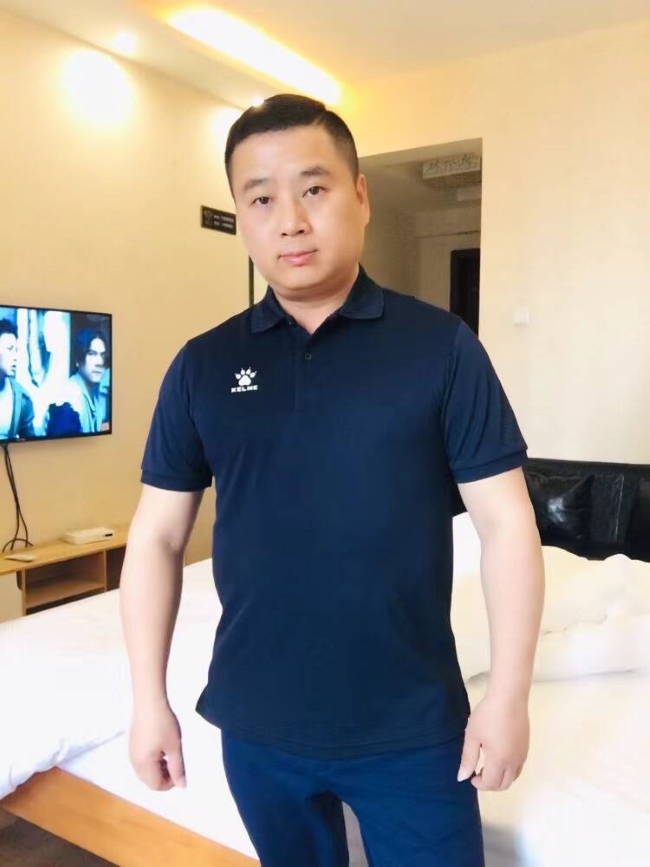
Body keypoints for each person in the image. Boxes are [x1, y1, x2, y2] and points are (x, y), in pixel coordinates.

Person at [120, 94, 545, 867]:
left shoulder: (441, 348)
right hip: (257, 724)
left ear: (360, 196)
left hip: (412, 726)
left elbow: (508, 525)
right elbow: (155, 537)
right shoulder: (203, 364)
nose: (290, 220)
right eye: (261, 198)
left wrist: (508, 696)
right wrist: (149, 699)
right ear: (241, 219)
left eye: (313, 189)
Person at [47, 327, 108, 436]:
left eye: (102, 355)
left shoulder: (94, 399)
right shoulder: (70, 398)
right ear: (78, 360)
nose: (99, 362)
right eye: (91, 353)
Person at [0, 318, 35, 440]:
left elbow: (32, 443)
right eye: (10, 349)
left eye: (16, 350)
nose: (15, 357)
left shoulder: (22, 398)